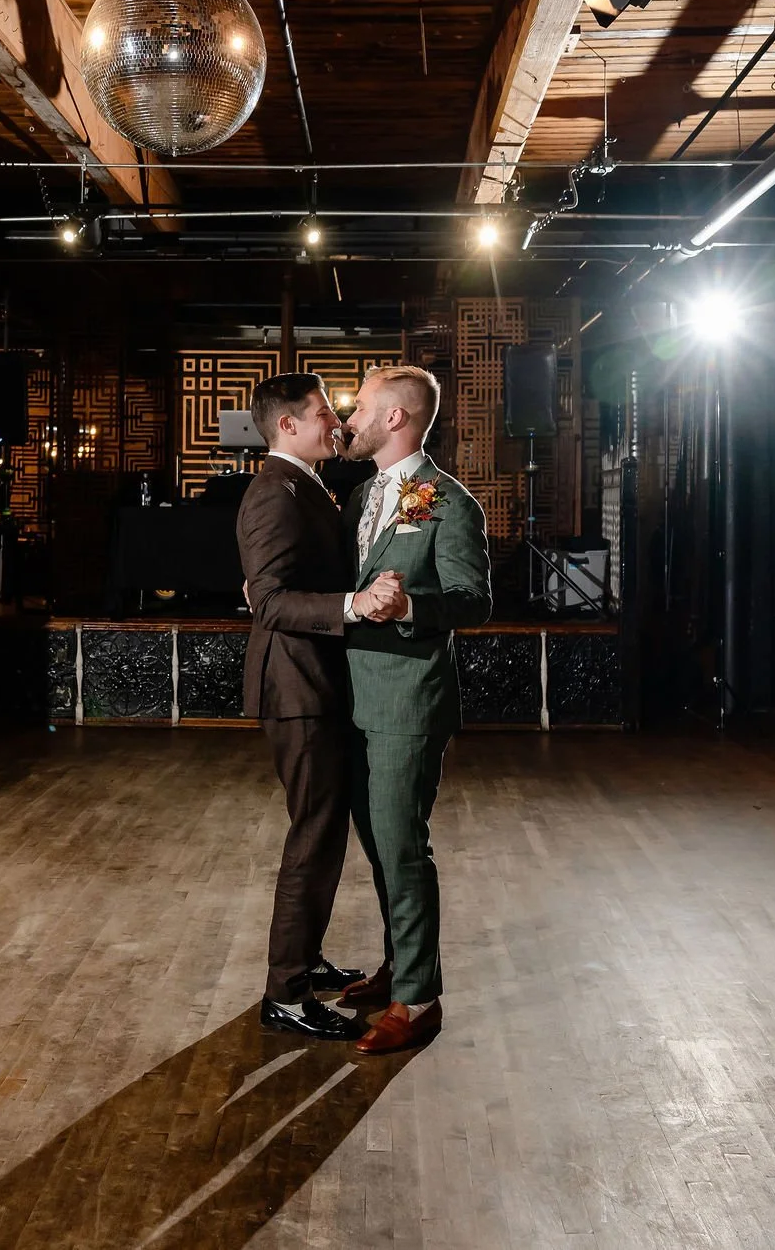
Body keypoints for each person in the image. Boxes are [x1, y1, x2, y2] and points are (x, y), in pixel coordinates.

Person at [334, 364, 492, 1056]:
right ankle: (401, 963)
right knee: (378, 844)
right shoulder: (364, 494)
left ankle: (419, 997)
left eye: (361, 406)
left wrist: (411, 606)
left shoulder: (443, 500)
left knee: (401, 843)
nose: (349, 417)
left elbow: (473, 598)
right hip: (352, 693)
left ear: (396, 418)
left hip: (407, 697)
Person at [235, 374, 397, 1043]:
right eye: (324, 412)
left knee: (323, 832)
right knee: (314, 835)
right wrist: (353, 606)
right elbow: (269, 601)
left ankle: (303, 961)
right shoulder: (274, 491)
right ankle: (287, 991)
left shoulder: (302, 483)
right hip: (297, 687)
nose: (336, 421)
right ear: (287, 427)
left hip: (317, 682)